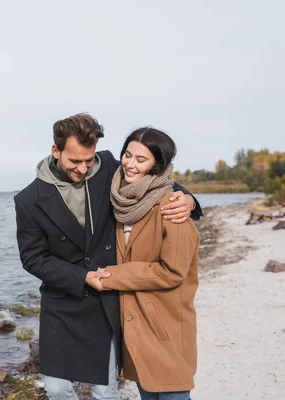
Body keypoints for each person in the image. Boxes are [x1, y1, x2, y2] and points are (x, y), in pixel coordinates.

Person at [14, 114, 202, 400]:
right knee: (56, 388)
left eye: (88, 160)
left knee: (105, 390)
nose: (83, 168)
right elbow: (33, 258)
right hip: (64, 299)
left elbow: (156, 180)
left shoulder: (107, 168)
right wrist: (82, 276)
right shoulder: (28, 200)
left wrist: (188, 200)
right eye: (75, 161)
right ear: (56, 151)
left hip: (107, 296)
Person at [99, 127, 200, 400]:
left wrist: (110, 276)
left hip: (165, 328)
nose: (130, 163)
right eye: (127, 155)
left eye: (141, 159)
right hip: (135, 330)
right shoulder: (119, 199)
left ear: (158, 165)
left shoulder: (171, 206)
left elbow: (173, 272)